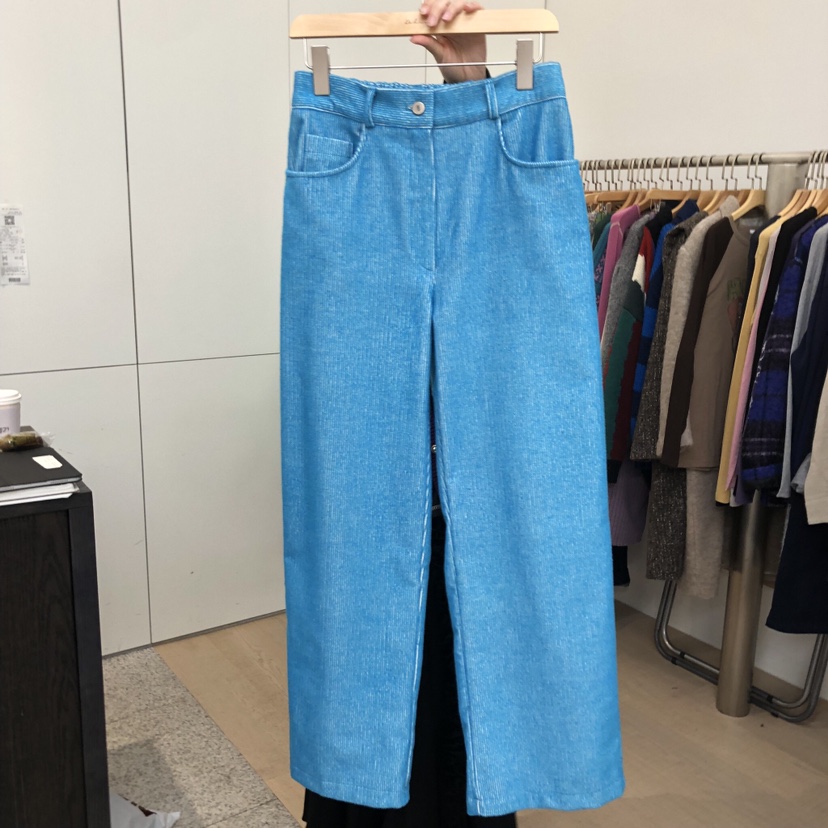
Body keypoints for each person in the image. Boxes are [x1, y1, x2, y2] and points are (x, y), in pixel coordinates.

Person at [301, 7, 519, 826]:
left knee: (471, 679)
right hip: (387, 517)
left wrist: (472, 80)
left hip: (469, 521)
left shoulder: (506, 177)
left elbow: (506, 286)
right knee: (363, 648)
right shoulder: (341, 170)